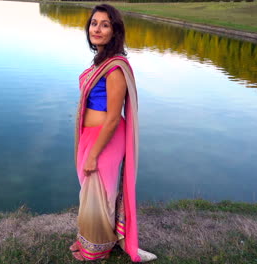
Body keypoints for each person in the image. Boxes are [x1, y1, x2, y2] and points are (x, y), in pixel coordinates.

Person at [70, 4, 157, 262]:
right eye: (94, 23)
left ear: (114, 30)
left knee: (100, 195)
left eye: (104, 24)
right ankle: (87, 239)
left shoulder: (115, 68)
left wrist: (94, 154)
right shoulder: (100, 61)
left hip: (105, 138)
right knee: (89, 193)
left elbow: (111, 119)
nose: (97, 28)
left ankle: (97, 249)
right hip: (89, 135)